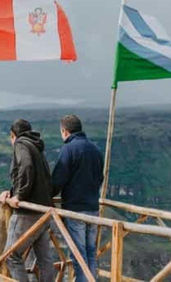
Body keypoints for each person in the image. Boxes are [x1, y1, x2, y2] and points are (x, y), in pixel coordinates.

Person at [0, 119, 55, 282]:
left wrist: (19, 196)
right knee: (45, 260)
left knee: (11, 255)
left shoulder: (21, 144)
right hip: (44, 212)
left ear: (12, 135)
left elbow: (26, 167)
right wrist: (11, 192)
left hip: (27, 213)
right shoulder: (37, 147)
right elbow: (38, 178)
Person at [51, 114, 104, 282]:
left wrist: (48, 194)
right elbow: (100, 177)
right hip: (93, 208)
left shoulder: (69, 149)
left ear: (65, 131)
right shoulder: (95, 148)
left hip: (75, 209)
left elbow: (59, 178)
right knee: (90, 254)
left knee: (78, 255)